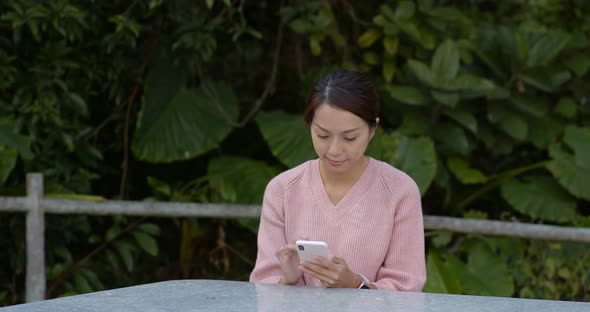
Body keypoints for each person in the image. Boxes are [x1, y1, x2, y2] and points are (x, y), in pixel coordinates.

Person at [249, 70, 426, 291]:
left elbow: (407, 289)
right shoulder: (282, 190)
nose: (334, 150)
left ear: (372, 130)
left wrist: (356, 285)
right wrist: (288, 279)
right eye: (322, 135)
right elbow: (261, 289)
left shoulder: (400, 191)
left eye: (350, 138)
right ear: (309, 125)